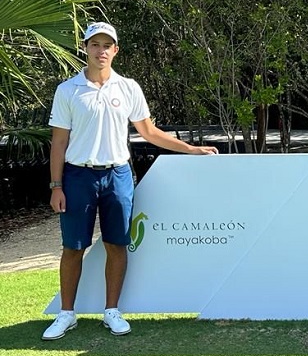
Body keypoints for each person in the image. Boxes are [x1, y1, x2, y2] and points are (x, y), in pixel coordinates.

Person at [42, 22, 218, 340]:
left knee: (117, 244)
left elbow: (149, 132)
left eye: (107, 45)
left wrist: (191, 149)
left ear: (115, 50)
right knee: (72, 247)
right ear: (85, 48)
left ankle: (112, 311)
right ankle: (67, 314)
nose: (101, 50)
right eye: (95, 44)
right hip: (78, 176)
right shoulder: (67, 90)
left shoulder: (128, 88)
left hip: (118, 174)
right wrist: (56, 186)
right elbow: (58, 143)